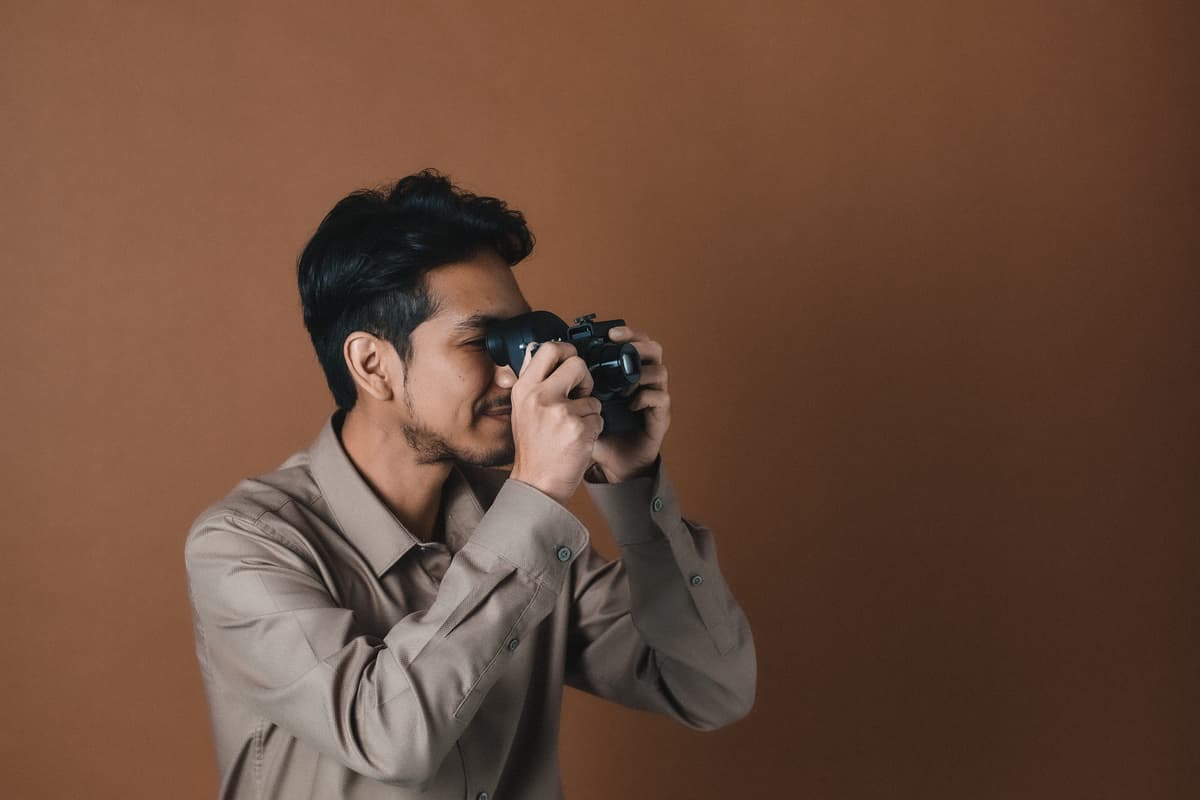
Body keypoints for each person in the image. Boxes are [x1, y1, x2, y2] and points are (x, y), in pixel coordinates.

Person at [183, 169, 757, 799]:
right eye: (484, 342)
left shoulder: (510, 523)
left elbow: (709, 689)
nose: (517, 375)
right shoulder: (245, 546)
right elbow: (389, 737)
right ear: (372, 364)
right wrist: (534, 497)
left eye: (521, 339)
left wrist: (632, 485)